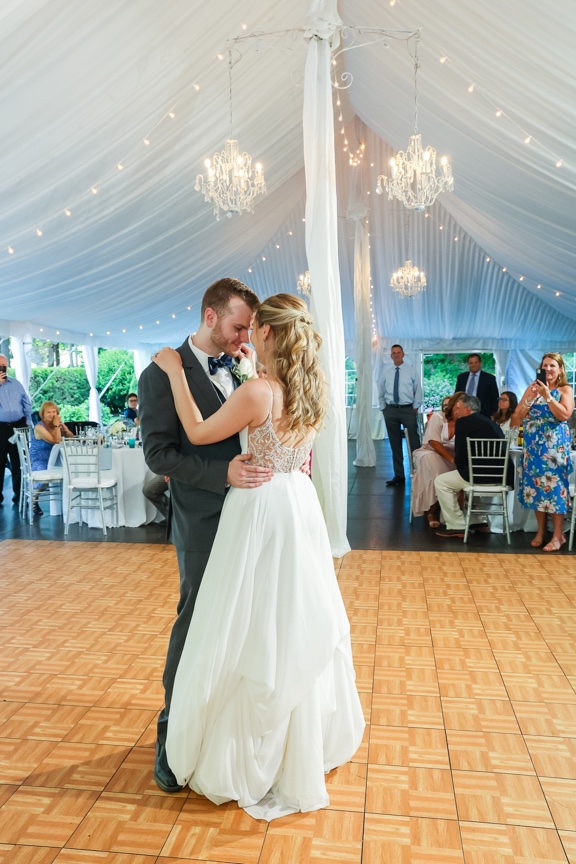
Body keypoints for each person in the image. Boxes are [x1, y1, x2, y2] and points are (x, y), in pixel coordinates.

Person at [151, 293, 365, 821]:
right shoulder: (308, 389)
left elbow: (200, 432)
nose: (247, 337)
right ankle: (301, 742)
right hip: (296, 502)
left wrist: (176, 373)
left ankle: (238, 747)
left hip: (260, 508)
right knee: (287, 619)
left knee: (241, 620)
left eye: (254, 330)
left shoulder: (257, 390)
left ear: (268, 334)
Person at [138, 277, 272, 795]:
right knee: (195, 619)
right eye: (239, 325)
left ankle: (222, 731)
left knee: (242, 619)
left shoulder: (243, 364)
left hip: (251, 514)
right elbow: (159, 455)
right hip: (203, 517)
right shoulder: (161, 372)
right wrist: (222, 475)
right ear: (211, 316)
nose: (245, 336)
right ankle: (172, 739)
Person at [513, 352, 574, 552]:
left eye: (552, 366)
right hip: (533, 447)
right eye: (545, 365)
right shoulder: (532, 388)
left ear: (560, 370)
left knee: (555, 490)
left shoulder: (565, 389)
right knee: (537, 488)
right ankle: (540, 532)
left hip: (554, 447)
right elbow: (517, 415)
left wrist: (548, 396)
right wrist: (531, 398)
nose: (548, 369)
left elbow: (564, 415)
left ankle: (557, 535)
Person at [434, 393, 513, 539]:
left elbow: (460, 454)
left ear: (467, 409)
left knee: (441, 481)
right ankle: (478, 521)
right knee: (462, 477)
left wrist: (458, 464)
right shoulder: (490, 422)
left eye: (458, 408)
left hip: (479, 475)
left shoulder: (464, 422)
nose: (455, 412)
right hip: (502, 476)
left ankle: (457, 525)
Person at [411, 392, 464, 527]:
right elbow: (433, 442)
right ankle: (431, 511)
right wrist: (452, 459)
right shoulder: (438, 417)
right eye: (457, 407)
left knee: (451, 472)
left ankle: (449, 512)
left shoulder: (464, 421)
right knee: (433, 463)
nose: (459, 410)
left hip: (452, 457)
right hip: (429, 451)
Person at [378, 344, 422, 487]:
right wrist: (384, 408)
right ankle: (399, 475)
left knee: (414, 443)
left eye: (398, 352)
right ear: (391, 356)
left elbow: (418, 390)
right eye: (393, 353)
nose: (396, 355)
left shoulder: (411, 370)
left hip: (407, 410)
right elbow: (380, 390)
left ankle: (418, 473)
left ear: (403, 354)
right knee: (394, 444)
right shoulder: (387, 372)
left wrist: (415, 407)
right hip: (391, 411)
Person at [29, 401, 74, 515]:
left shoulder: (56, 425)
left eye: (54, 412)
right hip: (39, 458)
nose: (52, 414)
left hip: (54, 458)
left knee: (70, 469)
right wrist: (57, 426)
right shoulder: (40, 427)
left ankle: (68, 504)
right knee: (46, 476)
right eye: (48, 412)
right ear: (43, 414)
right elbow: (57, 441)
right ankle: (34, 498)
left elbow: (71, 437)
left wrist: (65, 429)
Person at [0, 354, 32, 506]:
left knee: (19, 462)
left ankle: (19, 495)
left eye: (4, 365)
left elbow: (26, 403)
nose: (2, 368)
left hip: (18, 427)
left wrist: (28, 422)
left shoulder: (16, 384)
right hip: (0, 428)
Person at [455, 353, 499, 418]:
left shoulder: (489, 378)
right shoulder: (461, 377)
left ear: (480, 363)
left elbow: (495, 397)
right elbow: (456, 395)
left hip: (483, 414)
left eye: (476, 362)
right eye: (471, 363)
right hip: (463, 413)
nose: (473, 365)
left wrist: (492, 414)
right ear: (468, 364)